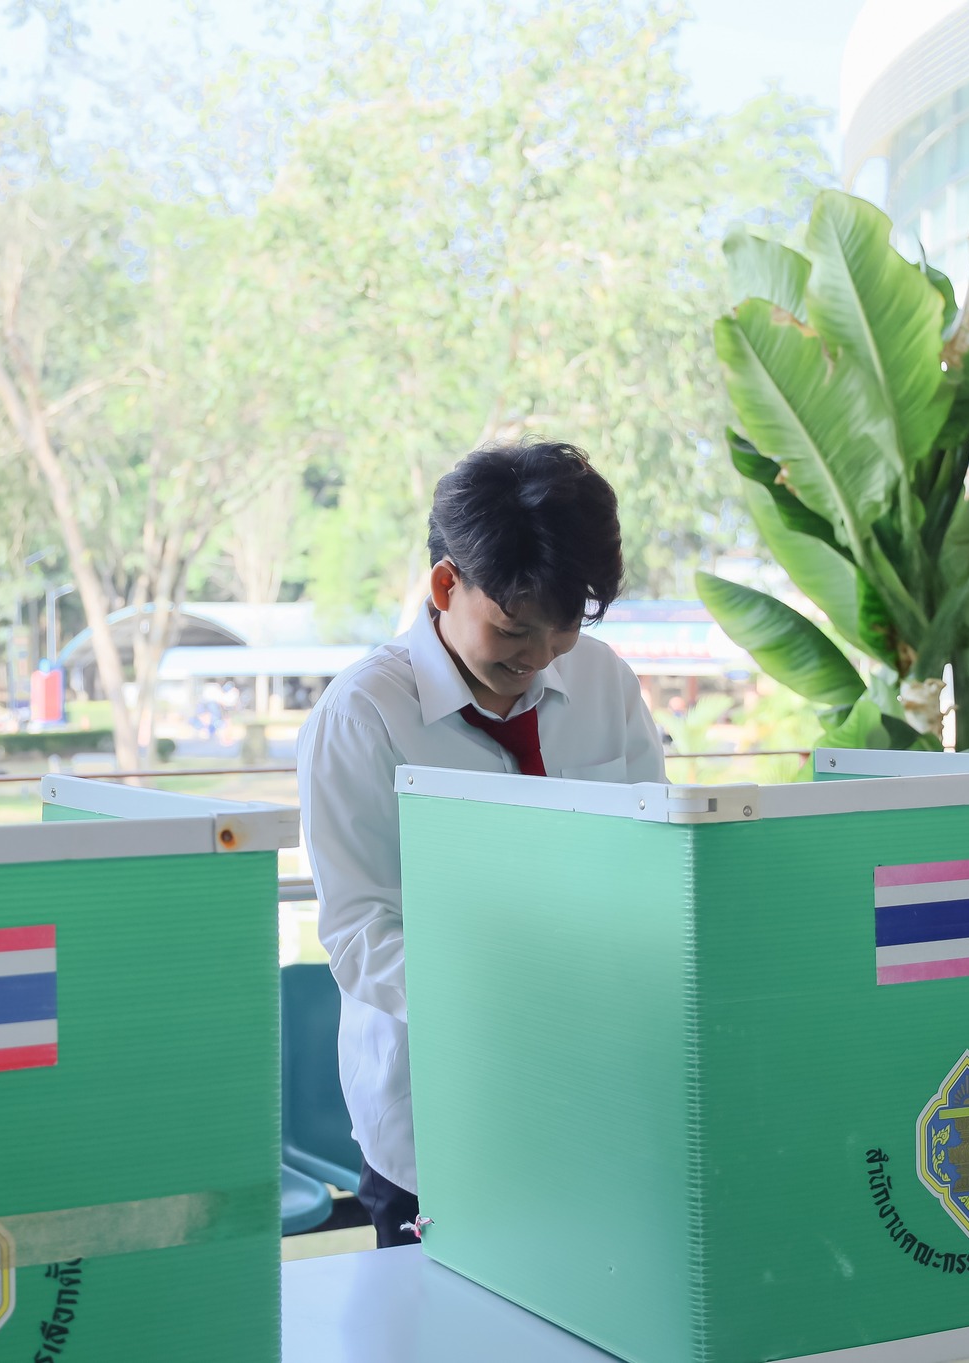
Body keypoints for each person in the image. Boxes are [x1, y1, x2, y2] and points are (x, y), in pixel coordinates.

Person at [296, 441, 666, 1247]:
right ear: (445, 584)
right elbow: (360, 933)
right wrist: (504, 1002)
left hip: (595, 1099)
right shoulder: (362, 717)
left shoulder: (604, 684)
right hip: (438, 1120)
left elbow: (654, 867)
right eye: (513, 630)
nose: (535, 662)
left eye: (561, 632)